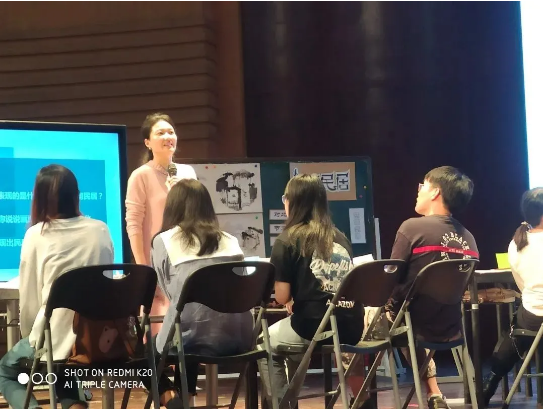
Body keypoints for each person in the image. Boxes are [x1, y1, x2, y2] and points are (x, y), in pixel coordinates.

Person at [0, 165, 114, 409]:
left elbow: (30, 302)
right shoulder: (101, 230)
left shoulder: (37, 235)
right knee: (61, 362)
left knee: (6, 372)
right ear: (76, 195)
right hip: (98, 340)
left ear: (39, 199)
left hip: (56, 341)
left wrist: (31, 338)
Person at [140, 179, 253, 407]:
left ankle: (170, 397)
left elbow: (171, 295)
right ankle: (186, 397)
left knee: (141, 354)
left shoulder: (163, 241)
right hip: (238, 338)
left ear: (172, 208)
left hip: (189, 337)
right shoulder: (231, 241)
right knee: (188, 324)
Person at [258, 174, 364, 404]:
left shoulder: (287, 239)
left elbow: (282, 297)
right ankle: (288, 401)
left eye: (285, 198)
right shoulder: (340, 237)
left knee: (263, 342)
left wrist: (291, 297)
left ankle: (283, 405)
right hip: (351, 327)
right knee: (292, 342)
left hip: (314, 327)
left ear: (293, 201)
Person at [382, 165, 478, 409]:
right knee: (408, 317)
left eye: (422, 186)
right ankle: (434, 393)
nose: (418, 191)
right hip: (450, 326)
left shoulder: (411, 228)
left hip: (407, 323)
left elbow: (389, 279)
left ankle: (361, 399)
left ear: (435, 192)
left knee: (350, 323)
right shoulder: (469, 239)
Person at [125, 113, 197, 333]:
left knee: (188, 327)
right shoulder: (141, 176)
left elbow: (197, 215)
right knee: (159, 331)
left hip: (186, 257)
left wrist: (181, 192)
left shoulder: (187, 173)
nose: (168, 137)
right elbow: (134, 223)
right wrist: (144, 267)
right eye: (160, 133)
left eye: (171, 132)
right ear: (148, 142)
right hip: (156, 263)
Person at [482, 188, 543, 406]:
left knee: (517, 326)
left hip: (531, 317)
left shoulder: (516, 243)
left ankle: (490, 382)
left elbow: (521, 285)